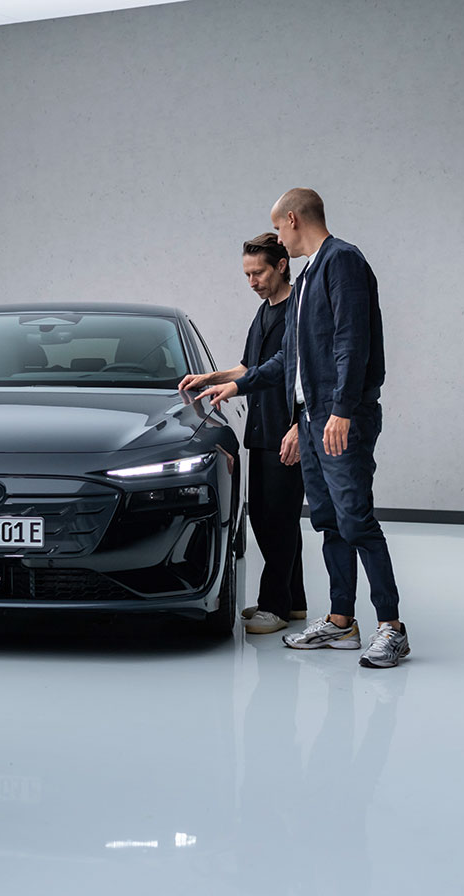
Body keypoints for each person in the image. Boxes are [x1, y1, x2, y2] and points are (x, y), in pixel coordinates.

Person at [180, 189, 410, 669]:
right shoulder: (306, 278)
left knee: (356, 520)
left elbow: (352, 342)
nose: (279, 238)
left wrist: (342, 410)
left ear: (292, 219)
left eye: (278, 228)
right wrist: (235, 383)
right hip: (310, 417)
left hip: (339, 416)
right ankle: (341, 622)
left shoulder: (342, 261)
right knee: (329, 522)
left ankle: (392, 627)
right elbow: (290, 358)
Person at [193, 233, 307, 634]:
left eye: (258, 272)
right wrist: (210, 378)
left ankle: (275, 607)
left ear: (281, 265)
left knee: (277, 520)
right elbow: (248, 367)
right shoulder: (264, 312)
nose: (252, 281)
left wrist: (299, 426)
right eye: (247, 274)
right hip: (260, 432)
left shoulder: (299, 310)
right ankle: (294, 601)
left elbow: (298, 370)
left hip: (286, 432)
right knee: (267, 516)